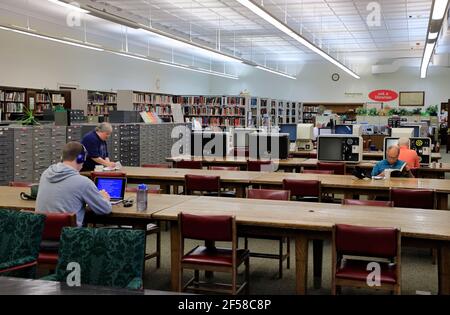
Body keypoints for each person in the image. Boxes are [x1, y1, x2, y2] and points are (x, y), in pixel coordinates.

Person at [36, 141, 112, 226]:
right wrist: (104, 198)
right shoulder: (83, 182)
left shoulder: (45, 174)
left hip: (41, 233)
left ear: (62, 157)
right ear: (81, 158)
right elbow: (105, 209)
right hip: (69, 236)